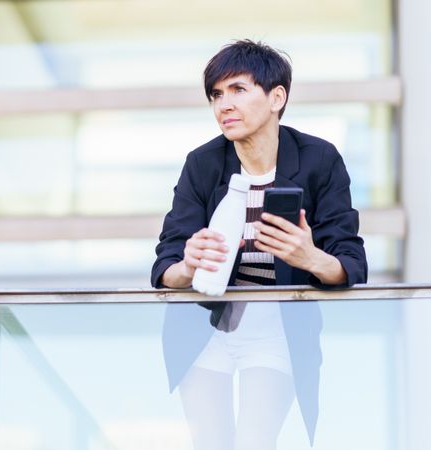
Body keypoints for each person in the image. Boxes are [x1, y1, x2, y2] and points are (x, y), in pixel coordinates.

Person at [151, 40, 367, 450]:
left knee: (255, 442)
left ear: (276, 97)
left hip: (277, 328)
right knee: (210, 444)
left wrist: (310, 258)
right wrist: (188, 266)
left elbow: (351, 262)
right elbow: (166, 264)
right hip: (201, 324)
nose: (223, 105)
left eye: (237, 90)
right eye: (216, 95)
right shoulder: (203, 163)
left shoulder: (319, 160)